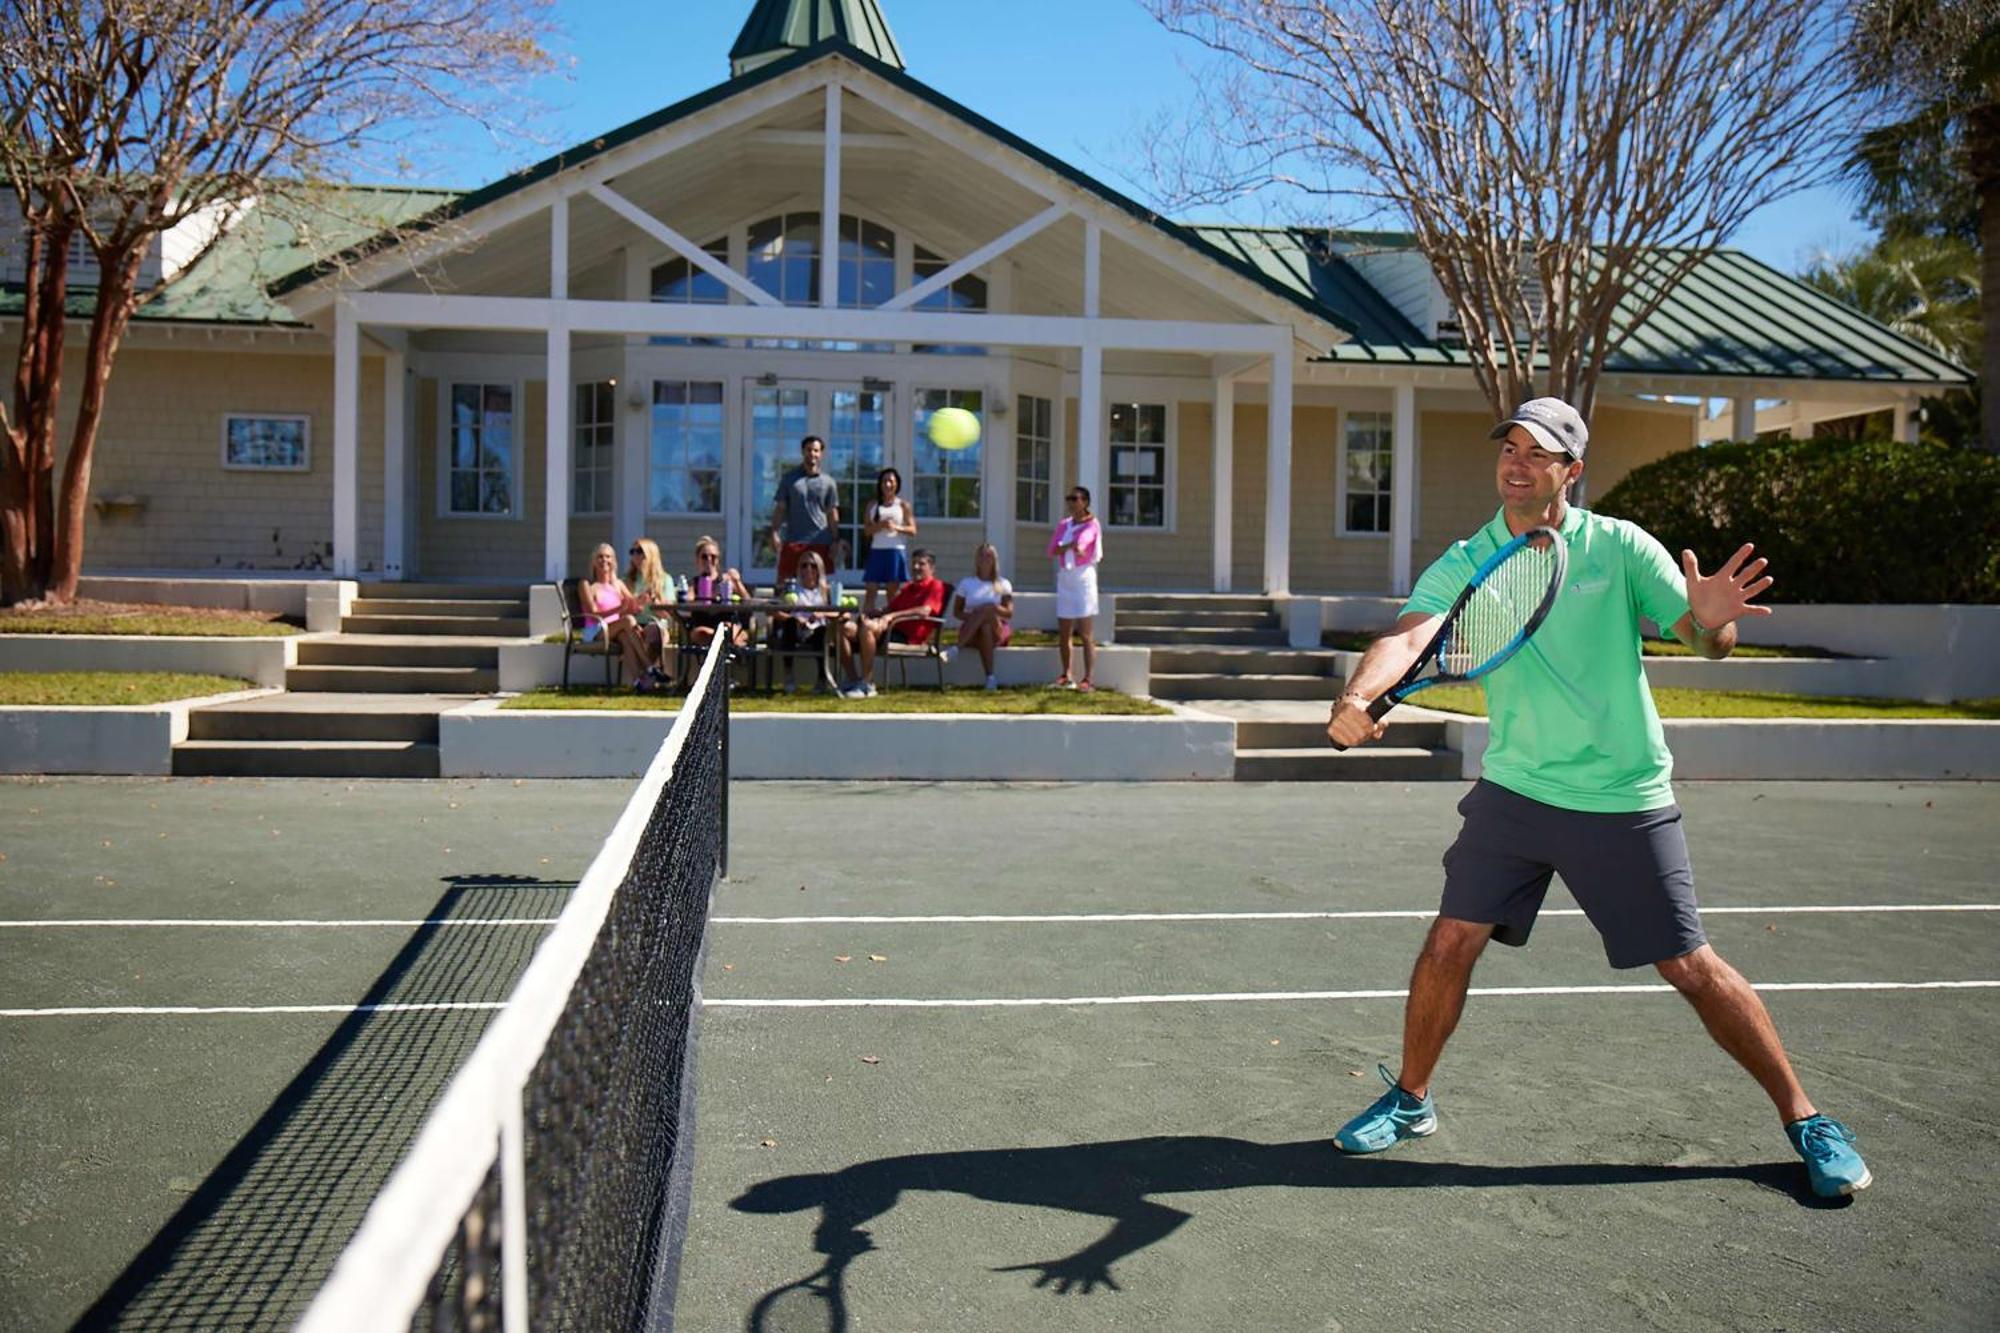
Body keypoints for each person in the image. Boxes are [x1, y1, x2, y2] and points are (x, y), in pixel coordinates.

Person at [1324, 397, 1870, 1200]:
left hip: (1621, 793)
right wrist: (1359, 691)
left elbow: (1701, 634)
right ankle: (1411, 1097)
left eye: (1537, 452)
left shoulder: (1617, 547)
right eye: (1507, 447)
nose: (1515, 462)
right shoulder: (1471, 556)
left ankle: (1806, 1117)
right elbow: (1410, 636)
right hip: (1517, 789)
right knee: (1449, 941)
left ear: (1571, 471)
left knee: (1689, 964)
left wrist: (1715, 624)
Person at [838, 547, 948, 697]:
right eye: (914, 563)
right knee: (844, 628)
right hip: (891, 630)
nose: (916, 567)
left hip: (909, 637)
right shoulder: (909, 588)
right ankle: (853, 680)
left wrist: (890, 617)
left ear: (931, 568)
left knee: (868, 628)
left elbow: (925, 611)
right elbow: (889, 608)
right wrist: (872, 613)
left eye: (921, 564)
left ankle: (868, 684)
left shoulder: (936, 586)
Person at [1048, 485, 1103, 691]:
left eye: (1075, 499)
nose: (1071, 503)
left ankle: (1088, 678)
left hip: (1083, 578)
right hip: (1066, 577)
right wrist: (1069, 545)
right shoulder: (1064, 524)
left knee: (1086, 632)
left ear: (1085, 502)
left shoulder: (1092, 524)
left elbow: (1082, 546)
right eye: (1068, 499)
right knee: (1064, 631)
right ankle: (1066, 674)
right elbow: (1052, 549)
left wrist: (1071, 545)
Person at [577, 543, 653, 688]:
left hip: (616, 629)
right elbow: (592, 613)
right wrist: (619, 609)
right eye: (600, 557)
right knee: (628, 621)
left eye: (608, 557)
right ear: (593, 561)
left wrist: (642, 601)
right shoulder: (587, 585)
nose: (604, 560)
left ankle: (638, 681)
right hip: (596, 630)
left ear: (614, 561)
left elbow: (632, 607)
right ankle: (650, 667)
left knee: (625, 636)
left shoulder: (617, 584)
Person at [770, 434, 841, 582]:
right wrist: (774, 532)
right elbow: (780, 508)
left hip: (821, 541)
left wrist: (835, 540)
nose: (812, 454)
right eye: (809, 450)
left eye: (816, 450)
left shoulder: (829, 482)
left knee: (821, 587)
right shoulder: (789, 479)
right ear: (803, 452)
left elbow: (832, 513)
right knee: (784, 584)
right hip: (793, 540)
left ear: (821, 453)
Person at [952, 543, 1014, 692]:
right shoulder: (966, 583)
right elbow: (957, 612)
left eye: (989, 556)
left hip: (997, 629)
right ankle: (990, 678)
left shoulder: (1003, 583)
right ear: (976, 559)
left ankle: (956, 648)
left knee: (987, 611)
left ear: (994, 560)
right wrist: (976, 618)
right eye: (981, 555)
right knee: (984, 626)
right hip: (972, 632)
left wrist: (991, 609)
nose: (985, 559)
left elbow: (1009, 613)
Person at [771, 548, 833, 693]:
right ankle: (789, 676)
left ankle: (822, 678)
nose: (808, 569)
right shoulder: (792, 588)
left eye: (813, 566)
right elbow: (774, 612)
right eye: (804, 565)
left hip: (817, 629)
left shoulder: (825, 590)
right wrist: (795, 617)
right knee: (790, 624)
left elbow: (840, 613)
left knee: (822, 632)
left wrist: (821, 614)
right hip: (796, 629)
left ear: (819, 569)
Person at [861, 466, 916, 614]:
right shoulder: (872, 505)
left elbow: (913, 530)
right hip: (877, 550)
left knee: (892, 594)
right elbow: (866, 531)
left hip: (895, 551)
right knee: (871, 591)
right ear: (880, 484)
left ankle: (891, 627)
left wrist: (897, 527)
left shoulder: (903, 505)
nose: (887, 485)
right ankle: (865, 624)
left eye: (891, 481)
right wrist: (880, 526)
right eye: (884, 481)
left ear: (897, 484)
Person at [682, 535, 750, 653]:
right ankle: (730, 645)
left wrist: (737, 582)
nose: (709, 560)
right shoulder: (695, 582)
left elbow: (748, 602)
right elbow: (687, 602)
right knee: (701, 634)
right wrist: (710, 594)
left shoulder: (726, 581)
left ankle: (727, 644)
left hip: (726, 624)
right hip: (704, 626)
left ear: (718, 560)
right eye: (704, 557)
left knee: (727, 629)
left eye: (713, 557)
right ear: (697, 560)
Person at [623, 537, 675, 677]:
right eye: (632, 551)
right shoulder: (627, 580)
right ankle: (653, 673)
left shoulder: (665, 580)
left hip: (657, 623)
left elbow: (670, 614)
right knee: (634, 632)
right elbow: (621, 610)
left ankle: (650, 674)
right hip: (634, 624)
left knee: (655, 631)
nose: (635, 555)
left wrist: (655, 603)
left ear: (651, 554)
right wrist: (636, 606)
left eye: (640, 551)